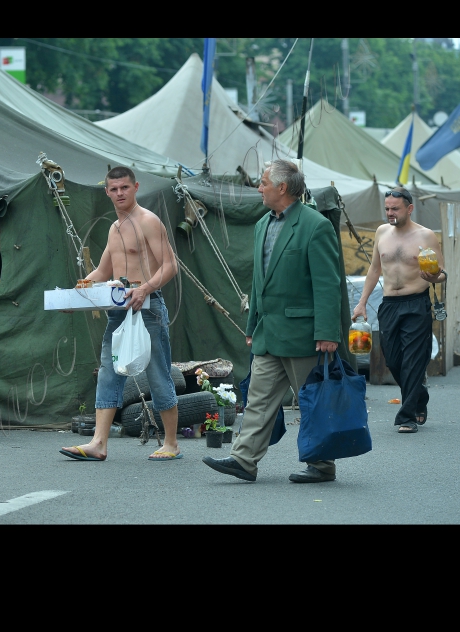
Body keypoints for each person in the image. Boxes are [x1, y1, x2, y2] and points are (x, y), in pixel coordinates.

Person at [203, 159, 342, 483]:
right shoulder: (262, 224)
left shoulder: (315, 225)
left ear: (282, 188)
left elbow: (327, 284)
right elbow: (257, 284)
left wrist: (326, 332)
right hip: (268, 333)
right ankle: (243, 460)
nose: (259, 187)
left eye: (264, 182)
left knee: (311, 402)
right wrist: (252, 326)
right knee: (258, 400)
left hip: (303, 334)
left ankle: (322, 465)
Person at [60, 166, 180, 461]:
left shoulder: (149, 221)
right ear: (107, 192)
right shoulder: (114, 229)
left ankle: (172, 443)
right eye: (113, 189)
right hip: (118, 310)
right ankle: (99, 443)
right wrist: (77, 294)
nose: (119, 194)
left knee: (158, 374)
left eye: (124, 188)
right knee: (108, 373)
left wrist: (144, 289)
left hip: (148, 307)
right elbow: (102, 272)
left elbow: (170, 266)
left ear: (135, 187)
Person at [351, 186, 445, 434]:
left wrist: (433, 276)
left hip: (416, 303)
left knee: (413, 360)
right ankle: (419, 395)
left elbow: (442, 274)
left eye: (395, 209)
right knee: (393, 360)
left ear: (410, 208)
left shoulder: (426, 236)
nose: (390, 213)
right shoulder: (382, 232)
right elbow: (374, 270)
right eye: (387, 209)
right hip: (390, 305)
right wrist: (362, 302)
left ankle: (407, 416)